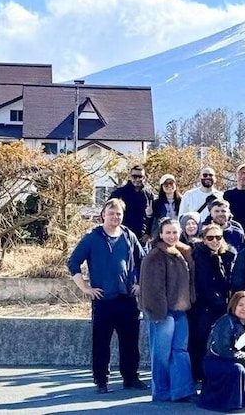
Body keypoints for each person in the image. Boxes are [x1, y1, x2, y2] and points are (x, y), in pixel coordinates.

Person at [67, 198, 147, 394]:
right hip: (103, 300)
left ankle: (130, 377)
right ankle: (101, 380)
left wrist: (139, 284)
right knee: (101, 343)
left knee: (130, 341)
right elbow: (73, 263)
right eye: (111, 213)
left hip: (127, 298)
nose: (115, 217)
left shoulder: (129, 235)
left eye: (118, 213)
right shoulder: (92, 237)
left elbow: (143, 261)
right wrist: (85, 288)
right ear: (103, 214)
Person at [138, 217, 195, 402]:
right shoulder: (155, 256)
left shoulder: (183, 252)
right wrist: (157, 313)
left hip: (181, 311)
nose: (172, 236)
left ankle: (182, 390)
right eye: (168, 232)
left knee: (180, 351)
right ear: (161, 234)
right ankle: (162, 391)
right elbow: (151, 288)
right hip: (162, 313)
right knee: (161, 354)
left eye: (175, 232)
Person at [199, 291, 245, 411]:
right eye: (240, 305)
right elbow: (223, 349)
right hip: (216, 360)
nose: (244, 308)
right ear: (233, 306)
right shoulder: (225, 321)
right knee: (237, 369)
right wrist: (243, 359)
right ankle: (228, 403)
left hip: (240, 359)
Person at [188, 222, 236, 383]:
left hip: (223, 305)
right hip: (203, 306)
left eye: (218, 237)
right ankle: (198, 374)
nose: (215, 241)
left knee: (221, 340)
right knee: (200, 340)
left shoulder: (228, 255)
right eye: (210, 238)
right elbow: (202, 282)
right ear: (203, 239)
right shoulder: (198, 254)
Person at [109, 164, 155, 242]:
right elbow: (106, 212)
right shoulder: (119, 193)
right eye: (134, 176)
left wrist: (148, 233)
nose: (137, 179)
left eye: (140, 177)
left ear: (144, 178)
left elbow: (153, 217)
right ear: (130, 177)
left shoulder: (149, 195)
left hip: (141, 239)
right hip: (121, 237)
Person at [151, 174, 182, 238]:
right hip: (163, 236)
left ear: (175, 185)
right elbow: (154, 222)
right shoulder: (156, 203)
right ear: (162, 187)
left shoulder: (183, 201)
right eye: (166, 184)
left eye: (171, 183)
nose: (169, 186)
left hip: (180, 235)